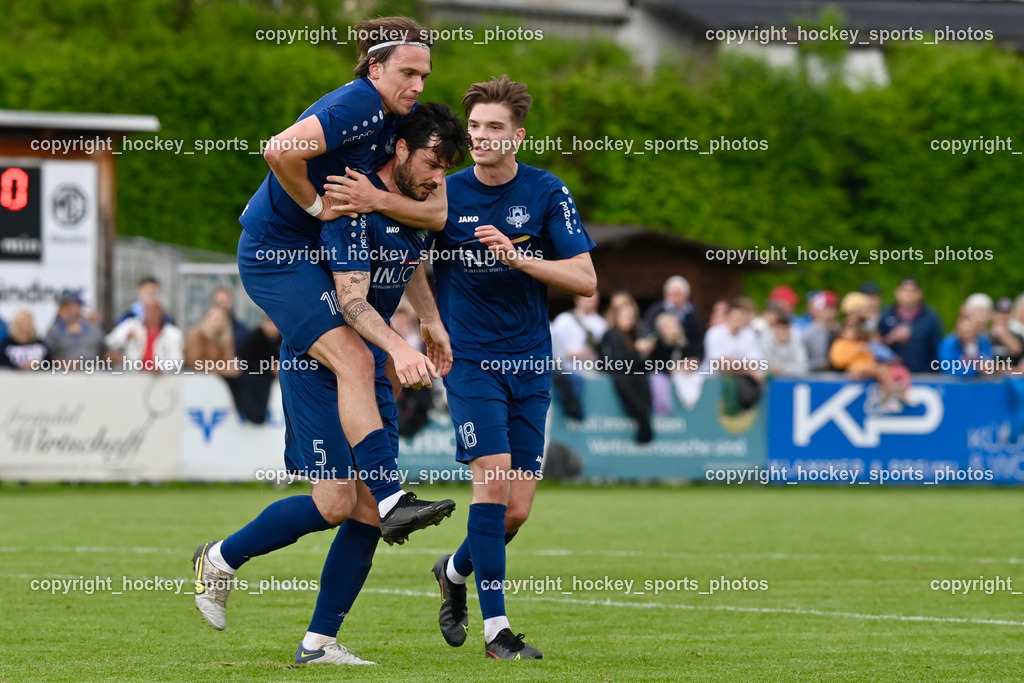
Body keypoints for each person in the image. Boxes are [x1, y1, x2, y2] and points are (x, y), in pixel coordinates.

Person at [193, 103, 468, 666]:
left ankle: (318, 644)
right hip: (325, 362)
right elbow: (351, 299)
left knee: (367, 513)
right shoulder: (349, 201)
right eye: (434, 161)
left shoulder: (413, 202)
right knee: (337, 501)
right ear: (400, 150)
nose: (440, 175)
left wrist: (431, 320)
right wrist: (398, 345)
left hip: (370, 365)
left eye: (447, 165)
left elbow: (413, 260)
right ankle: (219, 557)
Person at [231, 15, 452, 543]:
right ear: (374, 67)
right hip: (275, 252)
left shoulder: (402, 117)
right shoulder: (359, 104)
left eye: (424, 75)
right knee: (356, 355)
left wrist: (377, 202)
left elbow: (437, 215)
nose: (418, 86)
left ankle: (382, 505)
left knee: (340, 504)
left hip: (305, 251)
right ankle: (393, 497)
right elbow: (278, 149)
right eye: (408, 73)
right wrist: (316, 206)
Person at [428, 76, 597, 660]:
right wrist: (425, 325)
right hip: (470, 360)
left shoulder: (548, 192)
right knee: (493, 483)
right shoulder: (442, 194)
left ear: (517, 136)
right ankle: (498, 632)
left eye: (493, 128)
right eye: (474, 127)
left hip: (530, 361)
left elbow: (586, 280)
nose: (480, 137)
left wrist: (519, 256)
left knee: (516, 509)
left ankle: (452, 571)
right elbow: (405, 260)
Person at [599, 294, 655, 441]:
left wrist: (644, 354)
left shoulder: (634, 335)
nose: (628, 320)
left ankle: (644, 418)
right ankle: (642, 420)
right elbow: (617, 362)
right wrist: (638, 351)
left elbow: (640, 366)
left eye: (631, 317)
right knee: (626, 381)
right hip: (619, 376)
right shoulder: (611, 335)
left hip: (634, 377)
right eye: (625, 316)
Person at [702, 298, 765, 415]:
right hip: (710, 385)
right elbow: (721, 366)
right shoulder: (714, 333)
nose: (739, 320)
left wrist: (734, 363)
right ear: (728, 317)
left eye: (742, 317)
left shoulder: (749, 334)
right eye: (736, 317)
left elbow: (756, 362)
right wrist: (748, 370)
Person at [549, 291, 606, 420]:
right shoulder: (564, 320)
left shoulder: (601, 323)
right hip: (568, 370)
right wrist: (574, 354)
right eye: (588, 298)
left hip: (592, 371)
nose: (591, 301)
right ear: (577, 299)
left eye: (594, 299)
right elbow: (553, 348)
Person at [877, 277, 943, 373]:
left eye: (912, 290)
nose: (908, 294)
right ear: (897, 292)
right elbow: (875, 346)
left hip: (923, 377)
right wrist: (891, 338)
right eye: (904, 290)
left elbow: (936, 349)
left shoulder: (931, 318)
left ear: (920, 294)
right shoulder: (885, 315)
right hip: (892, 376)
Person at [228, 316, 282, 424]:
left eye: (273, 323)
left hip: (268, 381)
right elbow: (243, 362)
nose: (270, 327)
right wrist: (269, 368)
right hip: (253, 380)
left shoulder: (285, 340)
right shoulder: (253, 337)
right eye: (268, 322)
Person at [104, 298, 183, 372]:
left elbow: (177, 360)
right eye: (147, 309)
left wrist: (160, 368)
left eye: (154, 310)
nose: (151, 314)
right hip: (133, 376)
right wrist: (124, 337)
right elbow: (109, 342)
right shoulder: (131, 325)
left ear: (161, 311)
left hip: (161, 379)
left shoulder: (173, 334)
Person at [643, 275, 703, 361]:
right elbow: (650, 334)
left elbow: (697, 340)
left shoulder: (694, 314)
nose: (675, 298)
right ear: (666, 295)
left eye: (678, 294)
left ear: (687, 295)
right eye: (673, 294)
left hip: (686, 359)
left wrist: (694, 358)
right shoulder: (656, 311)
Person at [45, 289, 105, 369]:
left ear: (79, 307)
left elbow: (104, 350)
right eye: (63, 306)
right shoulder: (53, 331)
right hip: (65, 375)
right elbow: (47, 356)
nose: (67, 309)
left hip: (95, 372)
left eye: (70, 306)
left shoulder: (94, 329)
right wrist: (64, 364)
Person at [184, 305, 241, 378]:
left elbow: (228, 359)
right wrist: (223, 370)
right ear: (207, 319)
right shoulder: (196, 335)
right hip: (196, 376)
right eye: (215, 318)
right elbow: (194, 363)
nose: (218, 322)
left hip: (219, 377)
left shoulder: (226, 336)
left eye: (221, 319)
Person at [937, 312, 993, 377]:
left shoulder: (983, 342)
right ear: (958, 330)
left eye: (971, 331)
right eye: (965, 331)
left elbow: (989, 361)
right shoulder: (948, 345)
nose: (968, 335)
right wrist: (976, 369)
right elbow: (948, 370)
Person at [801, 290, 838, 372]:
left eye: (832, 307)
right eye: (826, 308)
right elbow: (801, 361)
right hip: (815, 376)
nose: (829, 311)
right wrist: (819, 364)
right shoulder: (808, 334)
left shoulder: (840, 330)